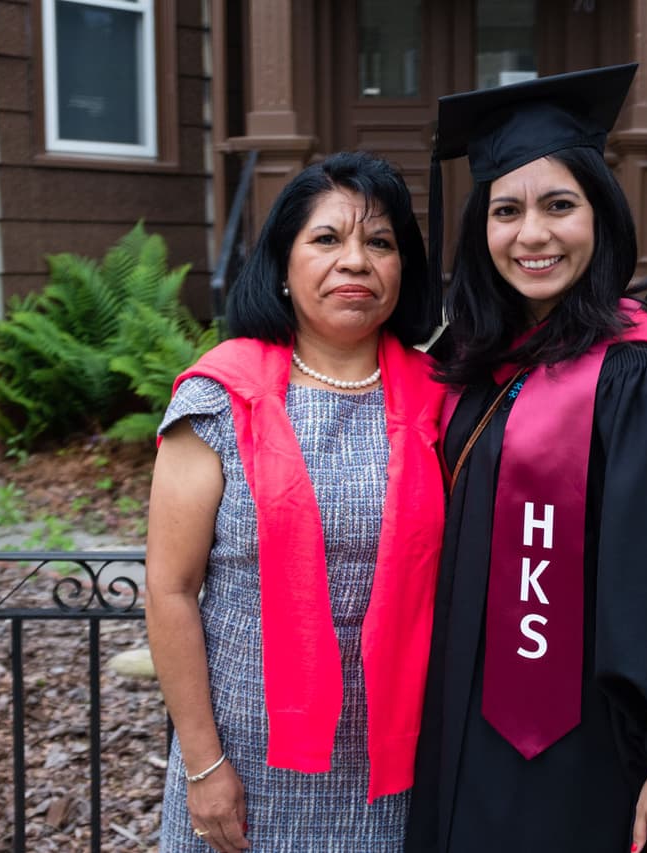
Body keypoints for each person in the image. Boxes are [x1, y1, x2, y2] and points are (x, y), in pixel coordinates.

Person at [405, 65, 647, 853]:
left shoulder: (639, 374)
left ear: (600, 215)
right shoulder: (479, 358)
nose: (532, 235)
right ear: (478, 229)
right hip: (472, 707)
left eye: (559, 205)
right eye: (506, 210)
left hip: (587, 735)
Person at [145, 150, 446, 853]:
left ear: (404, 270)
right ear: (283, 264)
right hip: (244, 767)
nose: (356, 261)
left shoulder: (447, 402)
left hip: (398, 768)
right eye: (326, 238)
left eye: (380, 242)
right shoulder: (216, 400)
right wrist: (203, 763)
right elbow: (171, 587)